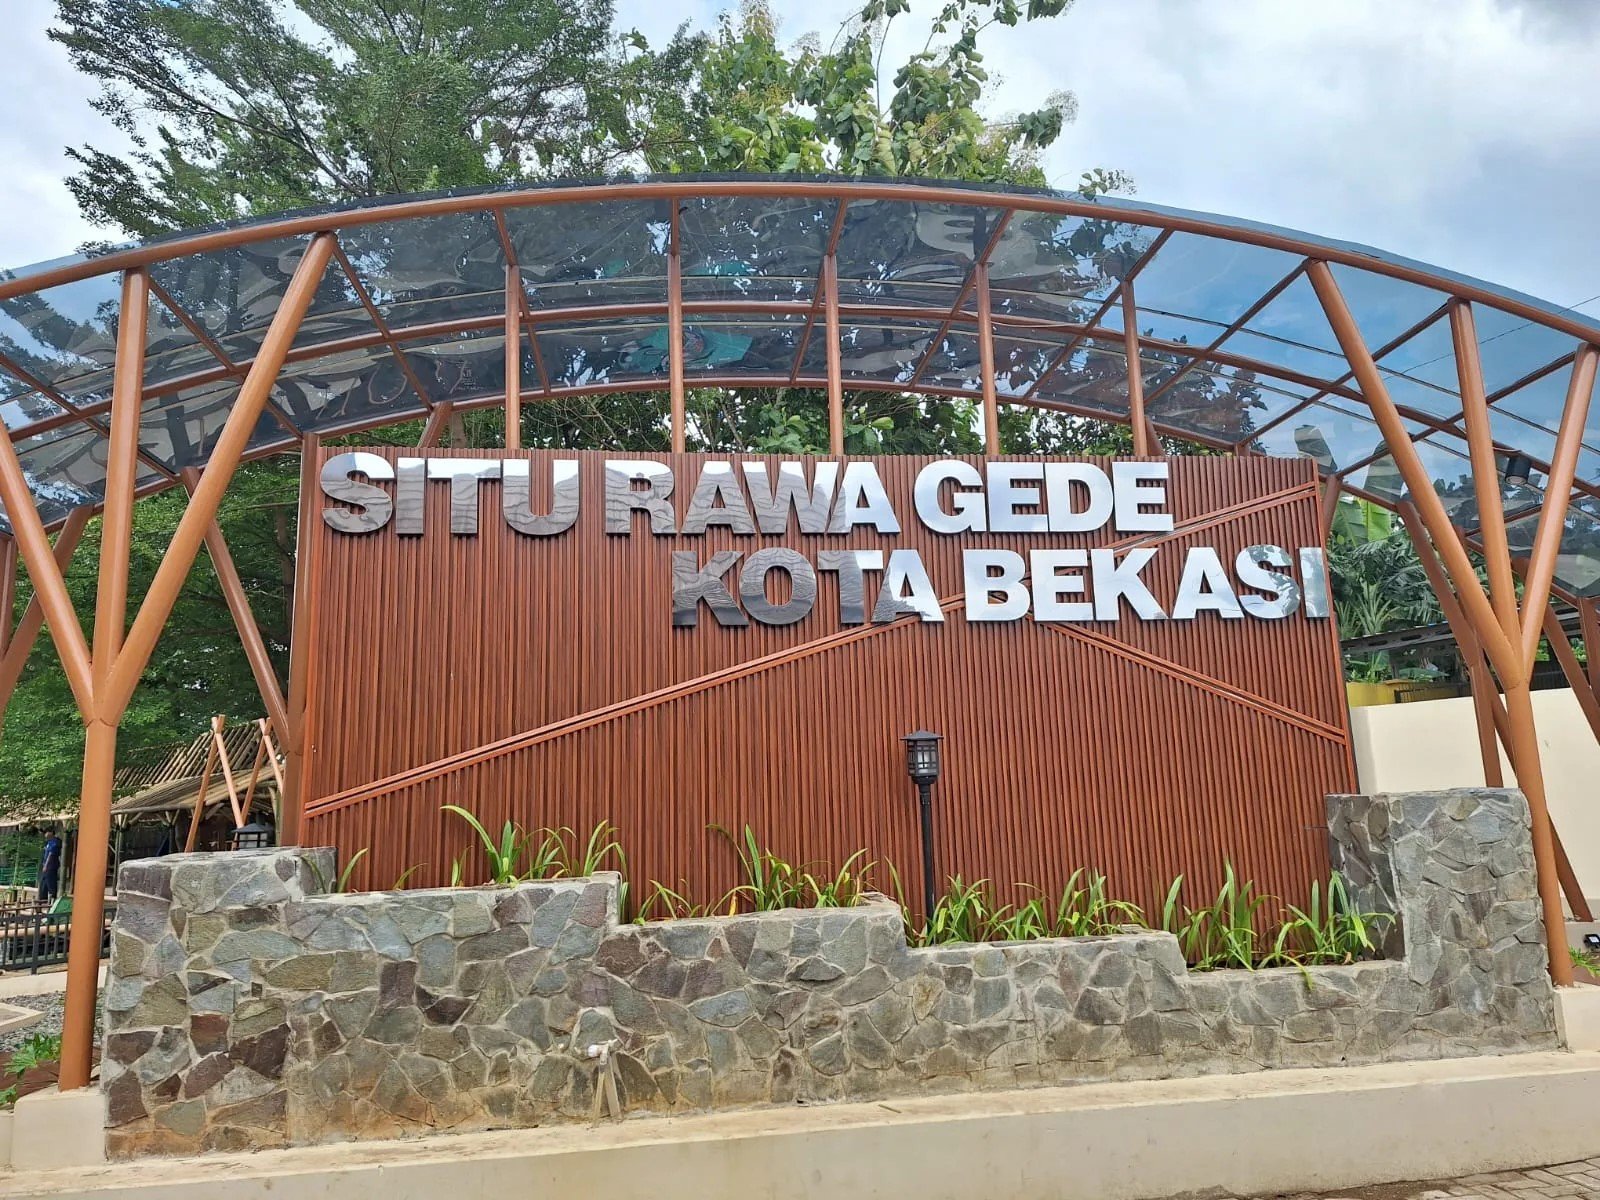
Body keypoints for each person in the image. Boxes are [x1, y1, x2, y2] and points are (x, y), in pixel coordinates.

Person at [37, 832, 61, 904]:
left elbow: (50, 855)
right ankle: (43, 899)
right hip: (46, 866)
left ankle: (52, 900)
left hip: (50, 867)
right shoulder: (48, 842)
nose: (46, 838)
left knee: (51, 883)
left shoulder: (55, 842)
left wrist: (46, 865)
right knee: (43, 883)